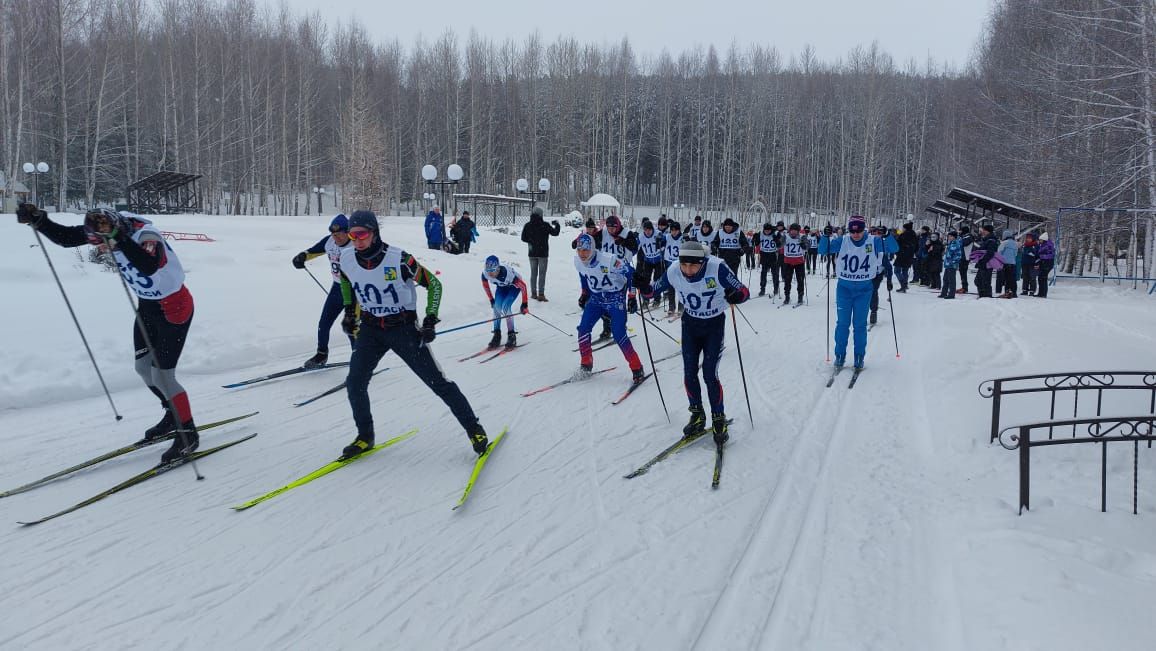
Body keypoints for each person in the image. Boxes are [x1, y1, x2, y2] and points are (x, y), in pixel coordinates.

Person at [16, 204, 200, 463]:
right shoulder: (103, 227)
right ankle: (172, 414)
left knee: (163, 376)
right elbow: (69, 239)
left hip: (174, 308)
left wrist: (119, 239)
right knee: (143, 369)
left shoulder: (145, 235)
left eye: (103, 244)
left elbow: (149, 265)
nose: (100, 249)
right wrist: (39, 221)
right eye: (97, 244)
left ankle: (188, 434)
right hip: (147, 306)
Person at [338, 210, 489, 459]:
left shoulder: (398, 259)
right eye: (352, 235)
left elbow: (434, 285)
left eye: (362, 234)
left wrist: (430, 319)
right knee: (355, 383)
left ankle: (475, 430)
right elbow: (346, 280)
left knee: (438, 383)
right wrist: (349, 311)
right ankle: (365, 436)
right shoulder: (347, 259)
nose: (357, 240)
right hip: (371, 329)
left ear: (374, 233)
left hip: (403, 329)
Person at [638, 241, 749, 443]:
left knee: (709, 373)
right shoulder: (674, 270)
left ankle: (718, 416)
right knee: (689, 372)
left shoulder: (717, 267)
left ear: (703, 262)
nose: (688, 270)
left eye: (694, 265)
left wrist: (737, 296)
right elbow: (651, 292)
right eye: (684, 265)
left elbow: (743, 291)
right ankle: (697, 414)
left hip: (714, 325)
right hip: (690, 324)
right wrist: (642, 284)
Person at [573, 233, 646, 383]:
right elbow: (584, 277)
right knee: (583, 329)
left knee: (618, 333)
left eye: (586, 250)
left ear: (592, 249)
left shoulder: (609, 260)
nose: (582, 254)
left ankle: (636, 367)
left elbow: (631, 274)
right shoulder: (578, 261)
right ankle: (586, 363)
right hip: (597, 298)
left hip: (615, 297)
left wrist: (631, 297)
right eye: (579, 250)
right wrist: (585, 292)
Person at [826, 216, 893, 370]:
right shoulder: (843, 241)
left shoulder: (873, 241)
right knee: (842, 324)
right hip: (844, 288)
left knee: (860, 325)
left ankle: (859, 356)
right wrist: (825, 236)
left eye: (859, 230)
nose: (856, 234)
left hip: (864, 289)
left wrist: (887, 235)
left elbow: (894, 248)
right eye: (852, 230)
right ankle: (840, 355)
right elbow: (824, 249)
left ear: (864, 229)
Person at [292, 214, 354, 369]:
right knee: (324, 323)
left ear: (347, 232)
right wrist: (301, 257)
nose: (336, 238)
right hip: (337, 288)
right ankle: (321, 354)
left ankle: (359, 358)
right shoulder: (329, 241)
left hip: (355, 291)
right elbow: (313, 251)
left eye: (339, 234)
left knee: (352, 326)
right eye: (333, 234)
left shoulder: (356, 245)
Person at [481, 255, 529, 349]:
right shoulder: (485, 274)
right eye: (488, 271)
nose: (490, 274)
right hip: (501, 288)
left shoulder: (508, 274)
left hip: (513, 288)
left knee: (505, 307)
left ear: (498, 268)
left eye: (492, 271)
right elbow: (485, 285)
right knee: (496, 308)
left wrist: (524, 304)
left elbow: (523, 286)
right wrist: (491, 299)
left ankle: (512, 336)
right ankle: (497, 335)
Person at [520, 206, 561, 301]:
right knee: (542, 274)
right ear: (541, 215)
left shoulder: (527, 225)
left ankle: (534, 293)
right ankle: (541, 294)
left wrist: (531, 241)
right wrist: (557, 225)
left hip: (532, 253)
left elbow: (523, 238)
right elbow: (555, 233)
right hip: (543, 254)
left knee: (533, 274)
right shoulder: (545, 225)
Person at [636, 219, 667, 308]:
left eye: (649, 229)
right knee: (645, 280)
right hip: (648, 260)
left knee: (657, 280)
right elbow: (635, 246)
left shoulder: (658, 233)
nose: (648, 232)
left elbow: (665, 241)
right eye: (646, 230)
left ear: (652, 229)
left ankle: (657, 299)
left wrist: (661, 241)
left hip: (658, 260)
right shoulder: (641, 236)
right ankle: (646, 299)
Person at [780, 223, 808, 304]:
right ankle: (787, 297)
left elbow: (807, 246)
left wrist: (804, 245)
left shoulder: (802, 236)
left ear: (798, 231)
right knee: (787, 281)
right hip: (788, 262)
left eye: (795, 231)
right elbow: (779, 245)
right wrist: (778, 242)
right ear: (790, 230)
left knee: (800, 280)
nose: (793, 233)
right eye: (792, 231)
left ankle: (800, 296)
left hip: (799, 262)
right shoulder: (785, 236)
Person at [661, 222, 684, 316]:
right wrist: (659, 240)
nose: (674, 232)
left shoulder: (683, 238)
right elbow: (660, 243)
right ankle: (671, 306)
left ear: (679, 230)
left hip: (680, 264)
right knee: (671, 286)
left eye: (676, 230)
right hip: (669, 263)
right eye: (672, 230)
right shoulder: (667, 237)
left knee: (681, 286)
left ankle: (681, 305)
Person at [753, 222, 781, 297]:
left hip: (773, 254)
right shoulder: (761, 233)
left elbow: (780, 245)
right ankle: (762, 289)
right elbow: (756, 243)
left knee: (774, 273)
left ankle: (776, 288)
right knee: (763, 272)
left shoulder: (775, 234)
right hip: (764, 254)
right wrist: (755, 238)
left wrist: (776, 240)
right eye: (765, 230)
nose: (767, 232)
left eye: (768, 230)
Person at [972, 224, 999, 298]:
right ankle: (982, 294)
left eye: (984, 230)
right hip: (983, 263)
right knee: (979, 280)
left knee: (985, 281)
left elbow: (990, 253)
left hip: (987, 264)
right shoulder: (986, 240)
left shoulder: (991, 241)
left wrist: (983, 261)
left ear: (988, 231)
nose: (983, 231)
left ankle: (986, 295)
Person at [894, 222, 918, 292]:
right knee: (905, 271)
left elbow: (897, 245)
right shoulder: (914, 236)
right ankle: (905, 285)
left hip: (902, 255)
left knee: (897, 271)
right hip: (910, 256)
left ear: (905, 228)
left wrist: (897, 252)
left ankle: (903, 285)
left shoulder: (903, 235)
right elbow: (917, 246)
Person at [939, 231, 963, 299]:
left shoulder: (956, 244)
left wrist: (953, 262)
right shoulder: (951, 243)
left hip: (952, 265)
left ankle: (951, 294)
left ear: (954, 237)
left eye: (950, 236)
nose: (949, 237)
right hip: (948, 264)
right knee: (945, 279)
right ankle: (944, 293)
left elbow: (958, 255)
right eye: (948, 236)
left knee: (951, 280)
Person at [998, 229, 1019, 298]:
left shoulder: (1004, 243)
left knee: (1007, 279)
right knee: (1012, 279)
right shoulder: (1015, 243)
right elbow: (1015, 254)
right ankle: (1014, 292)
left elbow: (999, 252)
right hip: (1013, 263)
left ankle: (1007, 292)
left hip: (1005, 263)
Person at [1036, 232, 1055, 298]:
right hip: (1044, 263)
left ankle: (1043, 294)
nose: (1039, 241)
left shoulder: (1048, 245)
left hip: (1047, 263)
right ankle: (1041, 293)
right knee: (1040, 278)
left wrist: (1042, 256)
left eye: (1040, 240)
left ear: (1043, 239)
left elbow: (1051, 255)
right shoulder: (1044, 245)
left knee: (1043, 278)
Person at [956, 226, 974, 294]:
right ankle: (964, 286)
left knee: (963, 272)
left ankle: (965, 287)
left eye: (960, 231)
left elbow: (962, 243)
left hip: (965, 257)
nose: (959, 232)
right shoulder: (964, 237)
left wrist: (959, 238)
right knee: (962, 272)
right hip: (962, 257)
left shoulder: (968, 237)